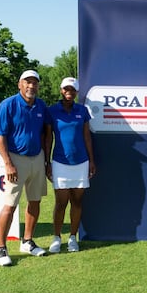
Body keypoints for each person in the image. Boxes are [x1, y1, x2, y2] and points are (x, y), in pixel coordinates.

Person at [0, 70, 51, 266]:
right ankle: (1, 248)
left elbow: (45, 133)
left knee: (34, 202)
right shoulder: (8, 105)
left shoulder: (41, 105)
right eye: (27, 82)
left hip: (37, 157)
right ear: (19, 84)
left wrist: (45, 159)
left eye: (34, 83)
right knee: (10, 205)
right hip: (16, 159)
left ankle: (27, 241)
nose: (31, 86)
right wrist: (8, 163)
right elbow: (0, 136)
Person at [47, 77, 96, 253]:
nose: (69, 92)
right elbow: (48, 137)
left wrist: (91, 160)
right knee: (61, 202)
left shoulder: (82, 111)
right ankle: (56, 237)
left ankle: (73, 238)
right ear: (61, 90)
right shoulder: (52, 111)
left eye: (72, 89)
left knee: (77, 201)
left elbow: (86, 137)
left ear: (76, 92)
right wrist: (47, 162)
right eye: (66, 89)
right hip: (60, 161)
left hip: (81, 162)